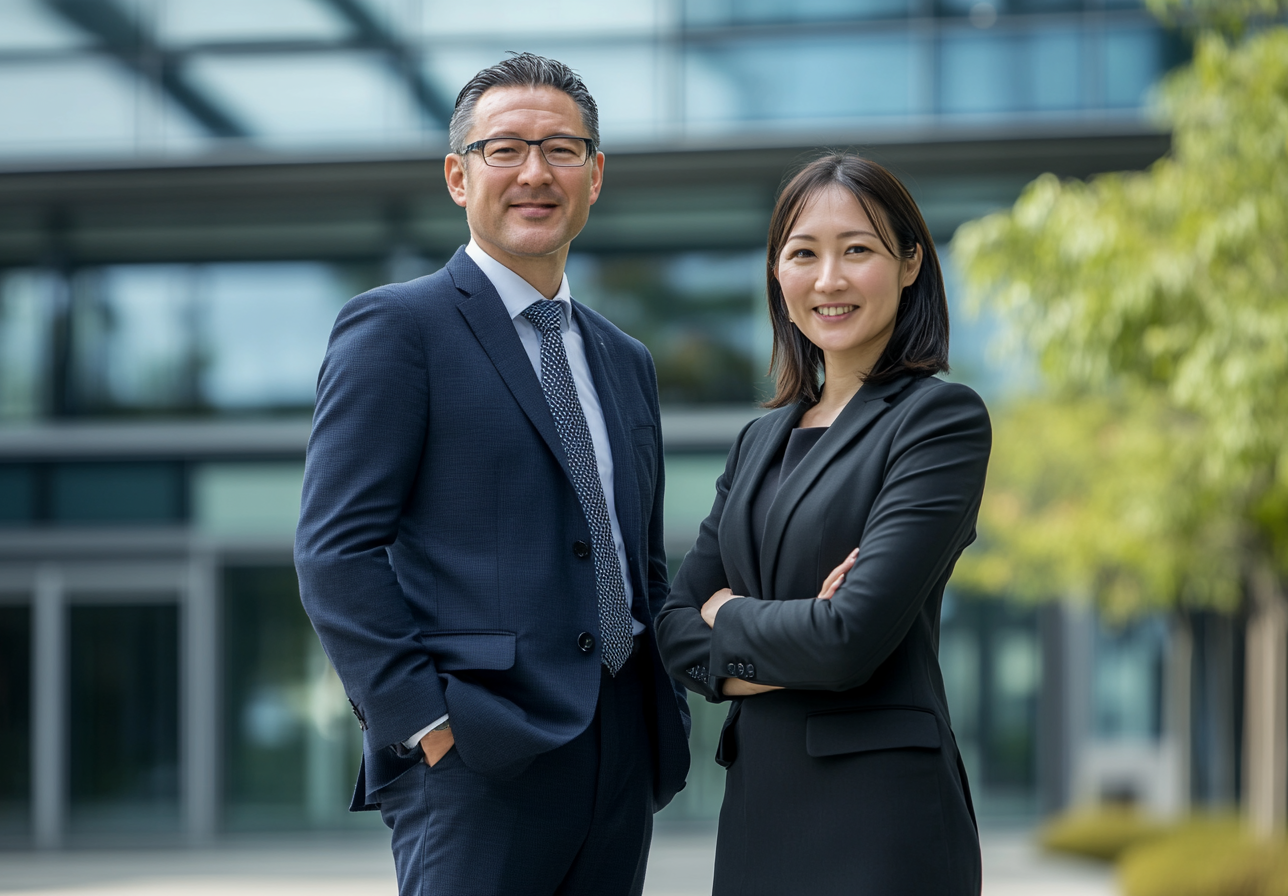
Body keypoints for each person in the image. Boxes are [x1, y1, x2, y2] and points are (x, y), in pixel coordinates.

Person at [295, 53, 691, 896]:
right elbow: (335, 553)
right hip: (477, 760)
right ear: (456, 175)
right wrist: (427, 724)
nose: (535, 173)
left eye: (561, 149)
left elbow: (636, 560)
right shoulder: (399, 329)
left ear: (596, 174)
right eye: (504, 149)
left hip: (620, 754)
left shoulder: (627, 361)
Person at [656, 153, 989, 895]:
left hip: (879, 827)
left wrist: (732, 616)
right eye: (803, 253)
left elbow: (848, 642)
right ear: (777, 274)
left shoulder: (937, 421)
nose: (828, 279)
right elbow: (676, 631)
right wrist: (796, 626)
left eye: (857, 250)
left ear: (909, 263)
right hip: (755, 821)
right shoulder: (759, 440)